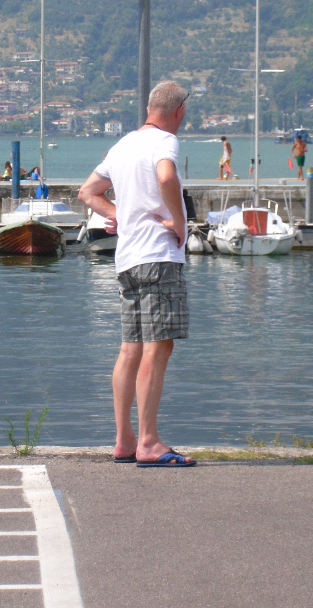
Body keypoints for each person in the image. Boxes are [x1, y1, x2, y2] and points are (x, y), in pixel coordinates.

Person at [78, 80, 195, 468]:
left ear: (149, 107)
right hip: (159, 256)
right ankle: (148, 441)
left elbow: (88, 192)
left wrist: (118, 216)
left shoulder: (124, 143)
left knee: (130, 348)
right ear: (179, 112)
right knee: (158, 346)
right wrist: (179, 222)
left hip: (127, 260)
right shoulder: (165, 142)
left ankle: (124, 440)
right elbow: (166, 178)